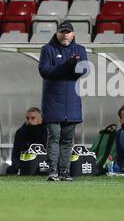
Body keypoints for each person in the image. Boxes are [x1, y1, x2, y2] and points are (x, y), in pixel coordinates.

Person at [38, 20, 88, 182]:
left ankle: (64, 172)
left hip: (72, 102)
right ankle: (52, 171)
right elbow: (45, 71)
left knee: (67, 139)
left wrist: (63, 70)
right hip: (52, 101)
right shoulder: (47, 49)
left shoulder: (80, 49)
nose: (65, 34)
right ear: (57, 33)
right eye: (62, 32)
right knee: (54, 136)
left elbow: (84, 70)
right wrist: (68, 66)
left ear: (73, 34)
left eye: (68, 32)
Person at [6, 107, 47, 175]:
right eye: (27, 118)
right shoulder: (21, 132)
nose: (29, 121)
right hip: (24, 164)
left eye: (33, 118)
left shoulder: (47, 132)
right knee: (10, 170)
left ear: (40, 120)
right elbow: (16, 152)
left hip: (43, 164)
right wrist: (17, 166)